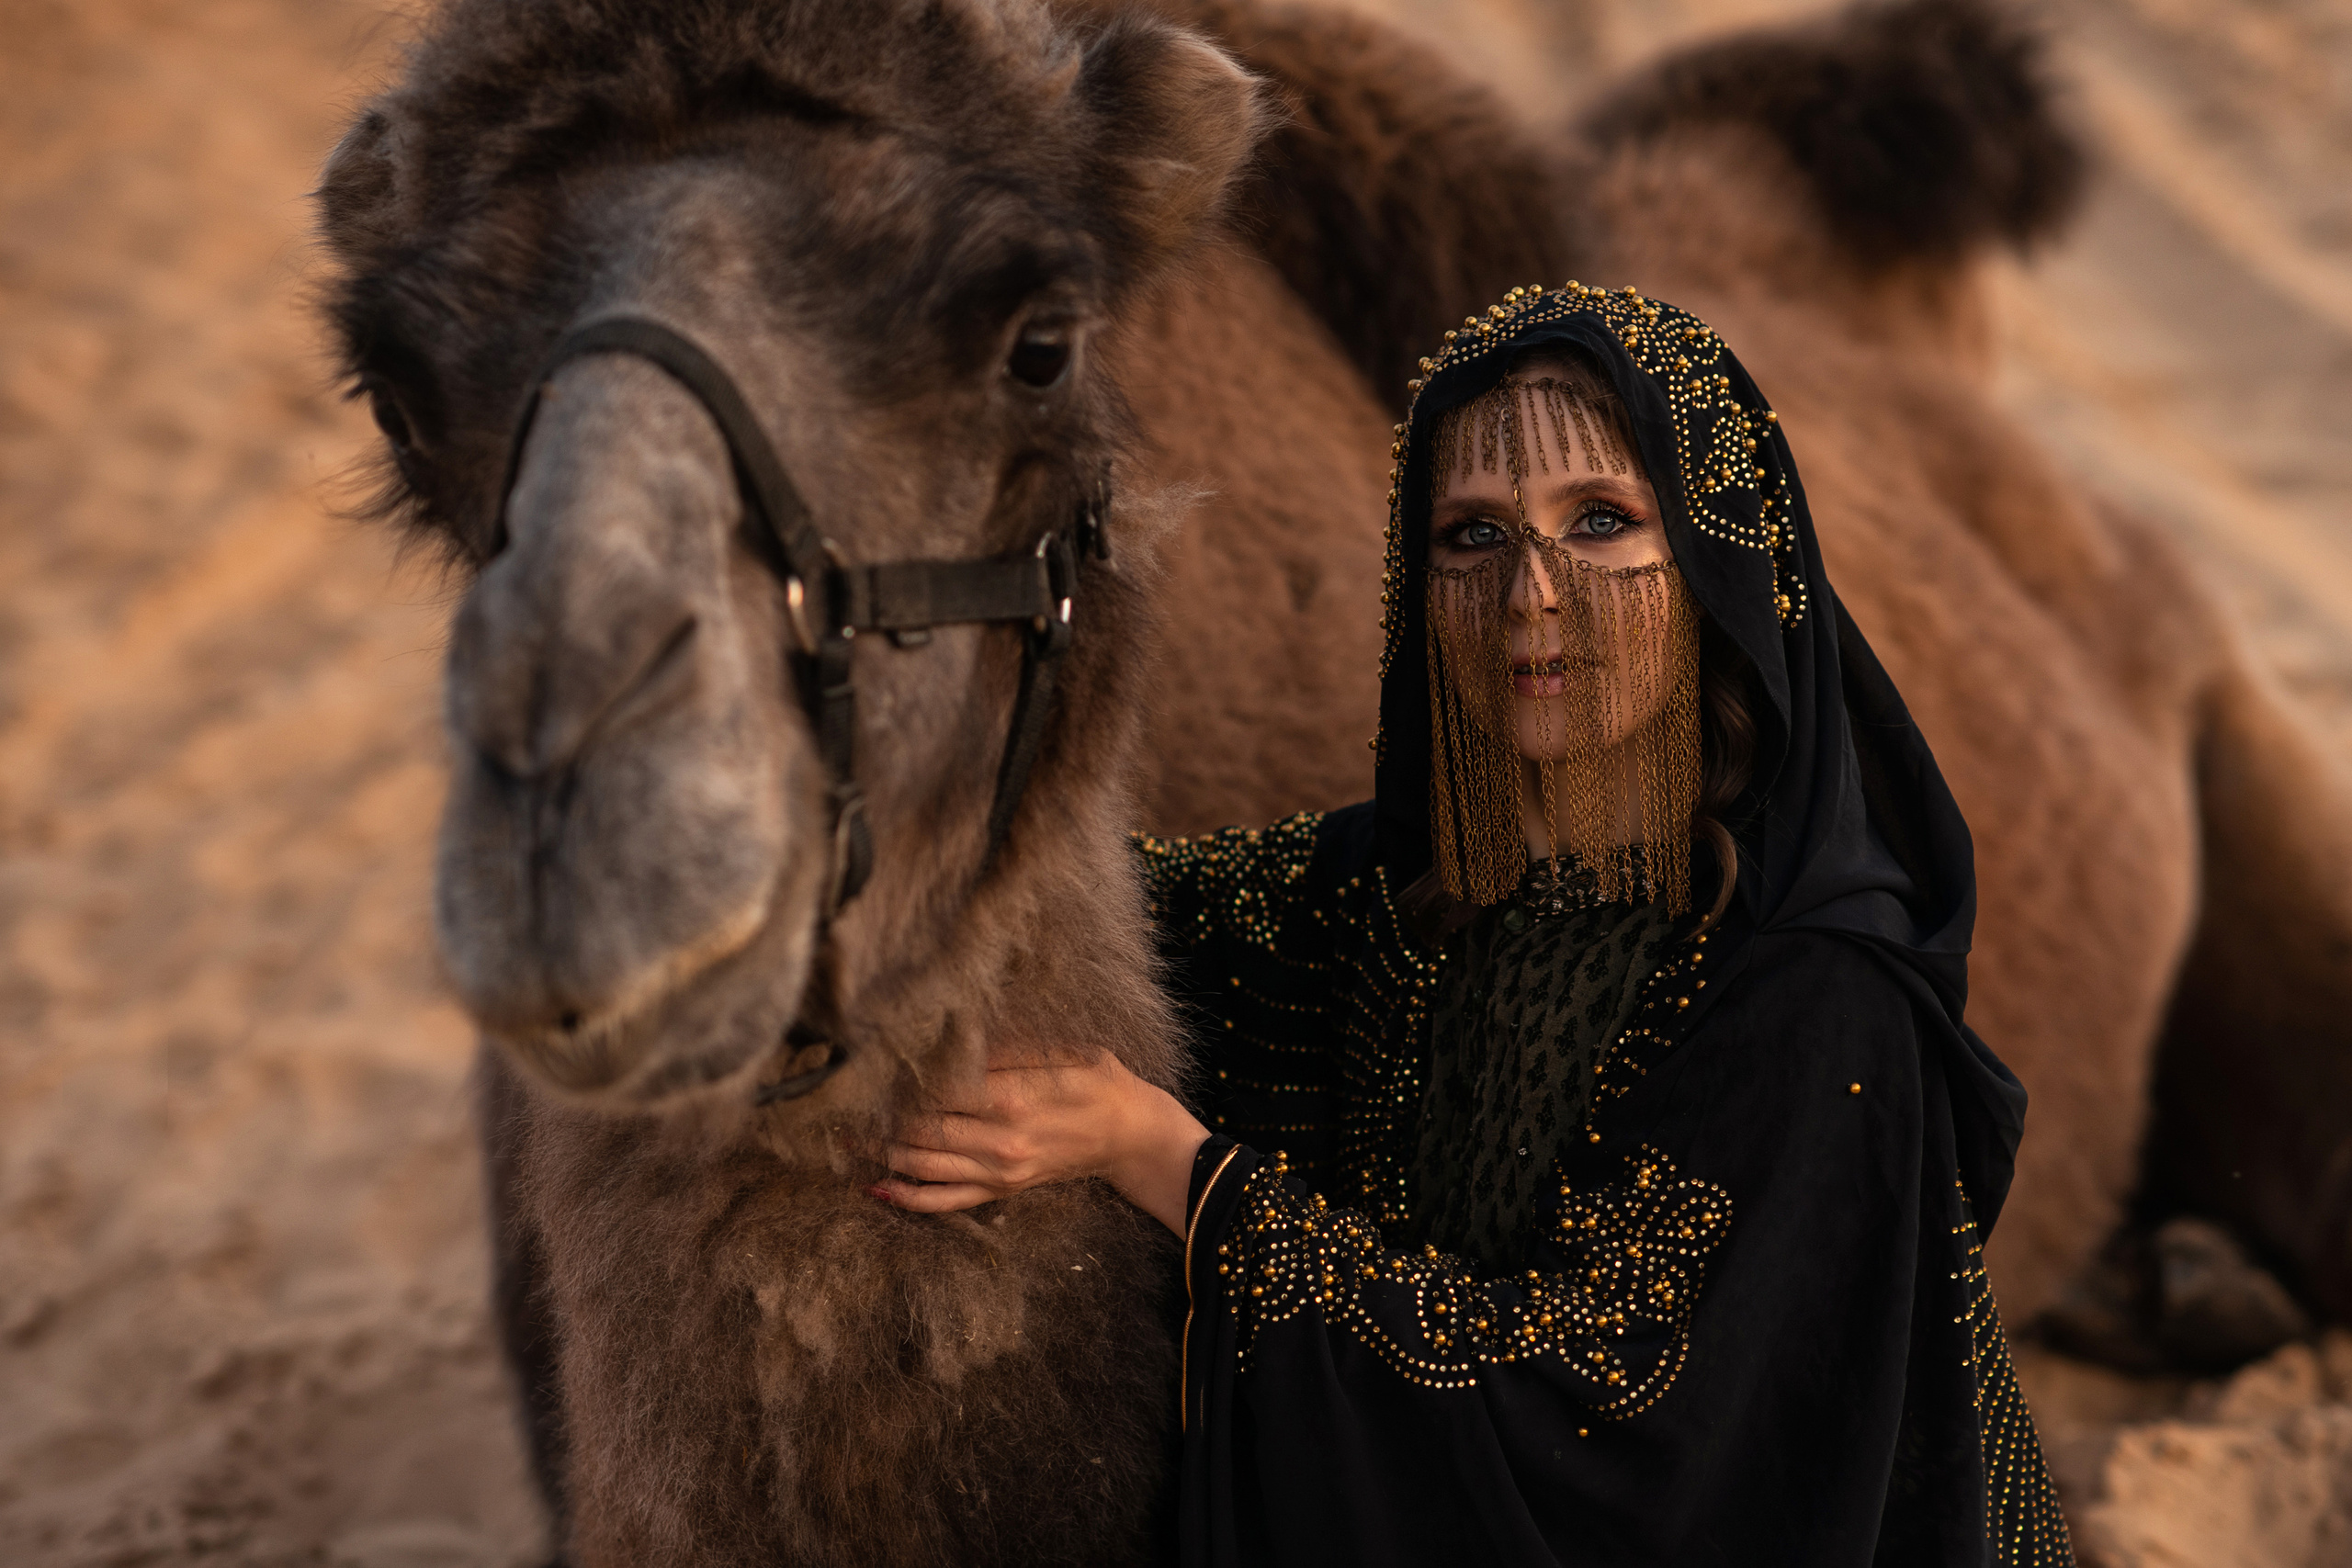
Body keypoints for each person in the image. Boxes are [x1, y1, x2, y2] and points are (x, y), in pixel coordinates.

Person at [876, 284, 2072, 1565]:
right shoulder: (1377, 898)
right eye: (1471, 535)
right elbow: (1084, 909)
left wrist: (1171, 1164)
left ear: (1723, 565)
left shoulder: (1815, 997)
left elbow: (1607, 1430)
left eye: (1601, 523)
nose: (1528, 595)